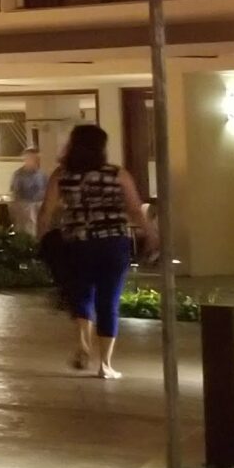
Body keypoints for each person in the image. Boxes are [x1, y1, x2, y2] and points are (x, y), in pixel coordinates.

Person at [36, 123, 155, 378]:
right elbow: (135, 208)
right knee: (108, 300)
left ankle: (82, 346)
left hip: (77, 242)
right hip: (114, 243)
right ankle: (106, 365)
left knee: (82, 295)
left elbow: (46, 211)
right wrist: (151, 235)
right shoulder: (117, 174)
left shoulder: (62, 175)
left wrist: (42, 238)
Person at [6, 141, 48, 232]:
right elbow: (15, 194)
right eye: (30, 158)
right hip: (24, 212)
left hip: (39, 211)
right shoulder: (18, 175)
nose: (34, 160)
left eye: (36, 158)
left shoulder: (42, 175)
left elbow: (47, 193)